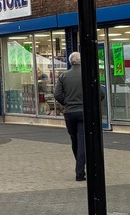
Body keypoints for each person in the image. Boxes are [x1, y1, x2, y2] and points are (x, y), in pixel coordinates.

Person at [54, 52, 88, 182]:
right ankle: (80, 172)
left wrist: (67, 102)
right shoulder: (87, 74)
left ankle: (80, 165)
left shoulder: (63, 76)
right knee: (82, 142)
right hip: (84, 112)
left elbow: (57, 95)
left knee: (75, 140)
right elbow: (101, 93)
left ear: (70, 62)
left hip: (70, 113)